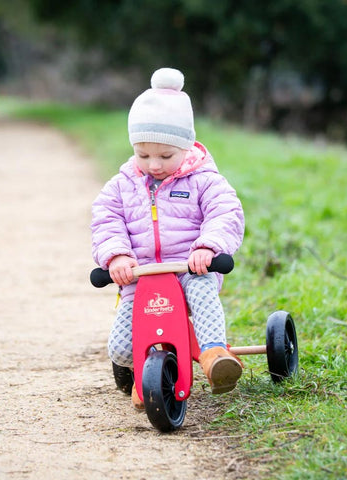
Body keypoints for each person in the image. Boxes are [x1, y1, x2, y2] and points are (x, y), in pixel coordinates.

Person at [91, 67, 245, 409]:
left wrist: (208, 247)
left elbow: (225, 212)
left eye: (165, 156)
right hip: (141, 276)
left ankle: (213, 355)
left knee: (203, 292)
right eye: (143, 155)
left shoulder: (203, 180)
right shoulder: (123, 184)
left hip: (189, 268)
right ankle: (147, 370)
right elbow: (105, 218)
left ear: (185, 147)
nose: (154, 165)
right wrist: (116, 255)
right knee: (120, 348)